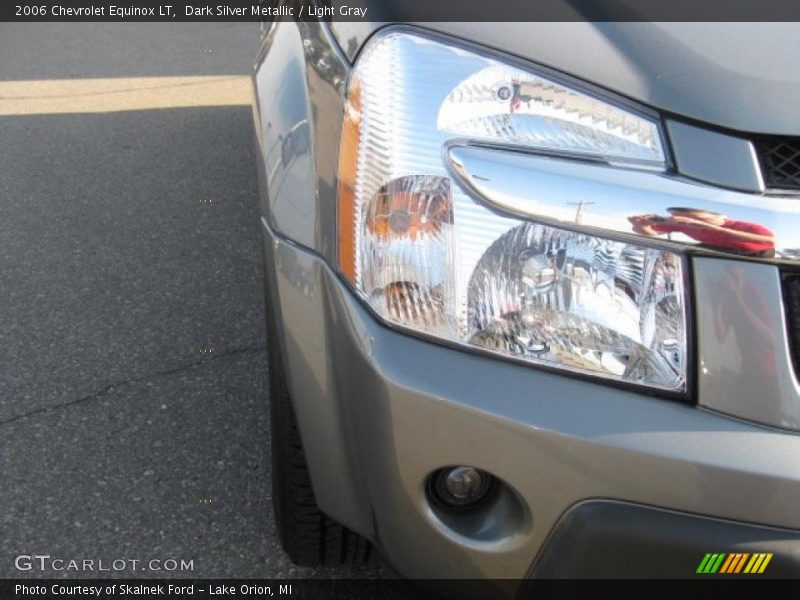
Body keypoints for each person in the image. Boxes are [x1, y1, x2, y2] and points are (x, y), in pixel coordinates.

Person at [628, 207, 775, 257]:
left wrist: (714, 228)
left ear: (719, 217)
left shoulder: (749, 226)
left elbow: (770, 241)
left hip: (757, 253)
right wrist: (639, 224)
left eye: (695, 217)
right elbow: (651, 233)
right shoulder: (682, 225)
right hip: (720, 251)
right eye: (678, 217)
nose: (687, 221)